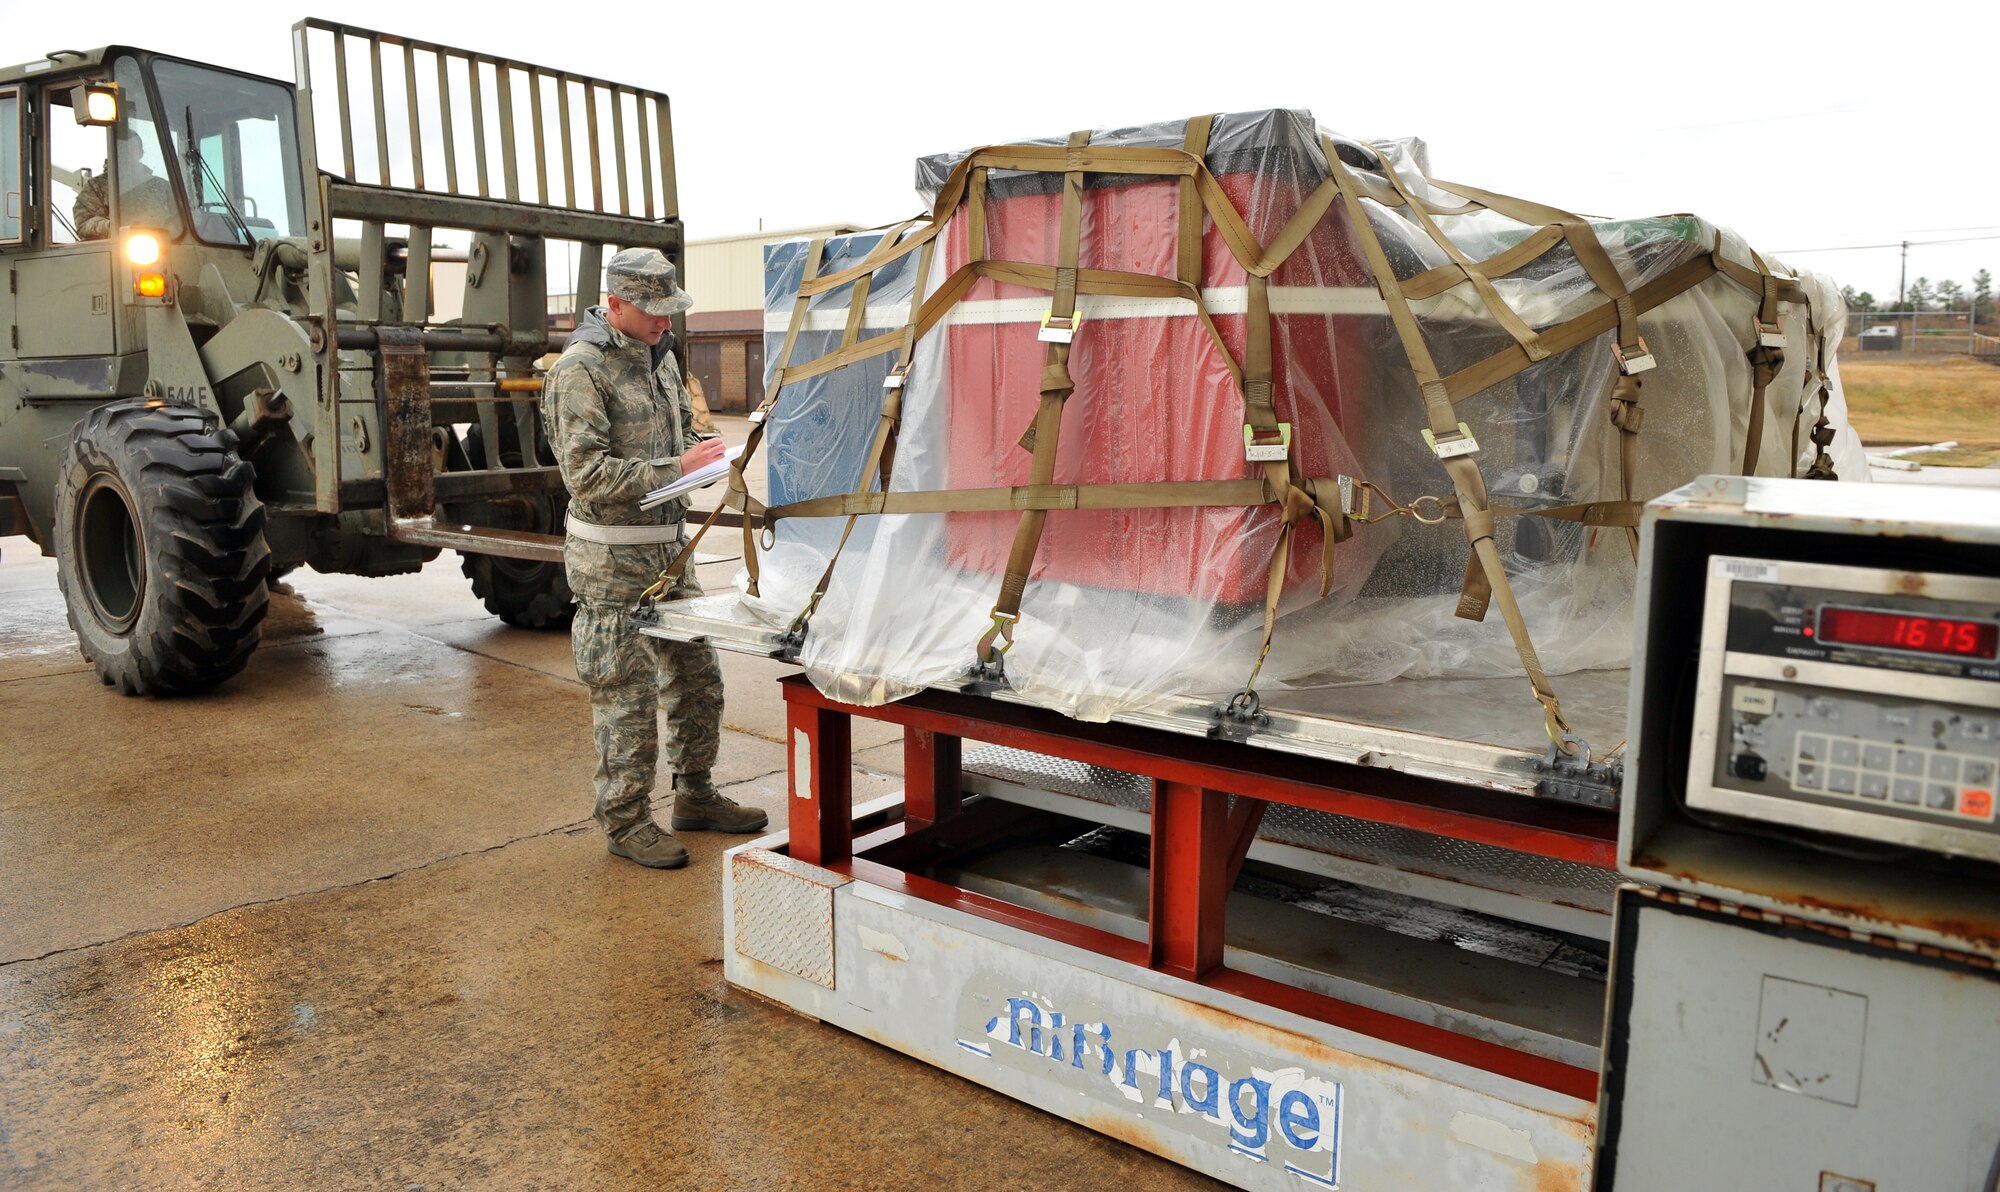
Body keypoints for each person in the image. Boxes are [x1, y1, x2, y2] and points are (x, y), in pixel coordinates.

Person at [542, 248, 767, 869]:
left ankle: (694, 795)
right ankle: (625, 820)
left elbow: (678, 436)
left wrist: (704, 449)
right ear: (614, 305)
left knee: (699, 681)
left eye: (671, 311)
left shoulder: (660, 361)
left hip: (669, 557)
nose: (665, 321)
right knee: (626, 699)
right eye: (652, 311)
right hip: (611, 565)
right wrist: (678, 467)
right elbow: (585, 475)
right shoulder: (580, 372)